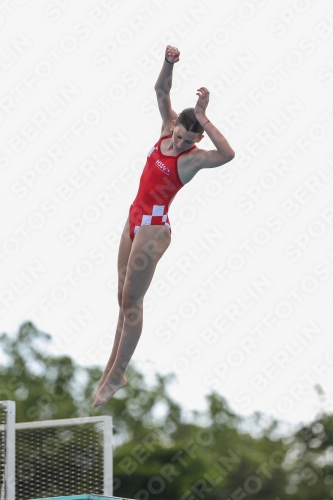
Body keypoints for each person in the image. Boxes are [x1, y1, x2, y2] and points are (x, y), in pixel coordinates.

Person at [93, 45, 235, 408]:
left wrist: (203, 117)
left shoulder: (194, 159)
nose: (182, 143)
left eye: (190, 140)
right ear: (173, 126)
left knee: (133, 299)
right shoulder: (165, 129)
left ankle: (120, 372)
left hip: (154, 227)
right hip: (134, 218)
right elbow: (161, 91)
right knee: (121, 299)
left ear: (198, 139)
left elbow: (228, 154)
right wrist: (168, 63)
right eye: (180, 136)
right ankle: (110, 368)